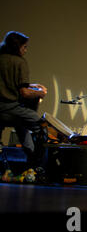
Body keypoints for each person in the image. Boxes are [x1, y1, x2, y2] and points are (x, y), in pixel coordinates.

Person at [0, 31, 48, 174]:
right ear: (18, 47)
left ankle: (30, 160)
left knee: (21, 126)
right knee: (42, 125)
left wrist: (32, 85)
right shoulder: (19, 62)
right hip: (10, 108)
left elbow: (10, 82)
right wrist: (41, 92)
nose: (25, 50)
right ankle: (37, 164)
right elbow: (24, 92)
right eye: (24, 47)